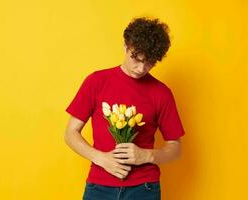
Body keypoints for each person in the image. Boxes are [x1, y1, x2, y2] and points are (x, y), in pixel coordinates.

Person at [64, 17, 185, 200]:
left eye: (150, 62)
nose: (141, 68)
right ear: (125, 46)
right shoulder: (97, 82)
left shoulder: (162, 93)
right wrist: (101, 158)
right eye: (136, 58)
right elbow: (70, 133)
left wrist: (146, 155)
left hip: (144, 189)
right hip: (100, 186)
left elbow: (175, 148)